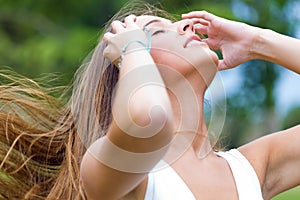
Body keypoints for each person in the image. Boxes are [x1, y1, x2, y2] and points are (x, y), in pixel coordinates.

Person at [0, 2, 299, 200]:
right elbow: (149, 118)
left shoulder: (250, 168)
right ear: (126, 67)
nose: (187, 26)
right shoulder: (109, 168)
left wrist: (260, 42)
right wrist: (132, 48)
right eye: (155, 32)